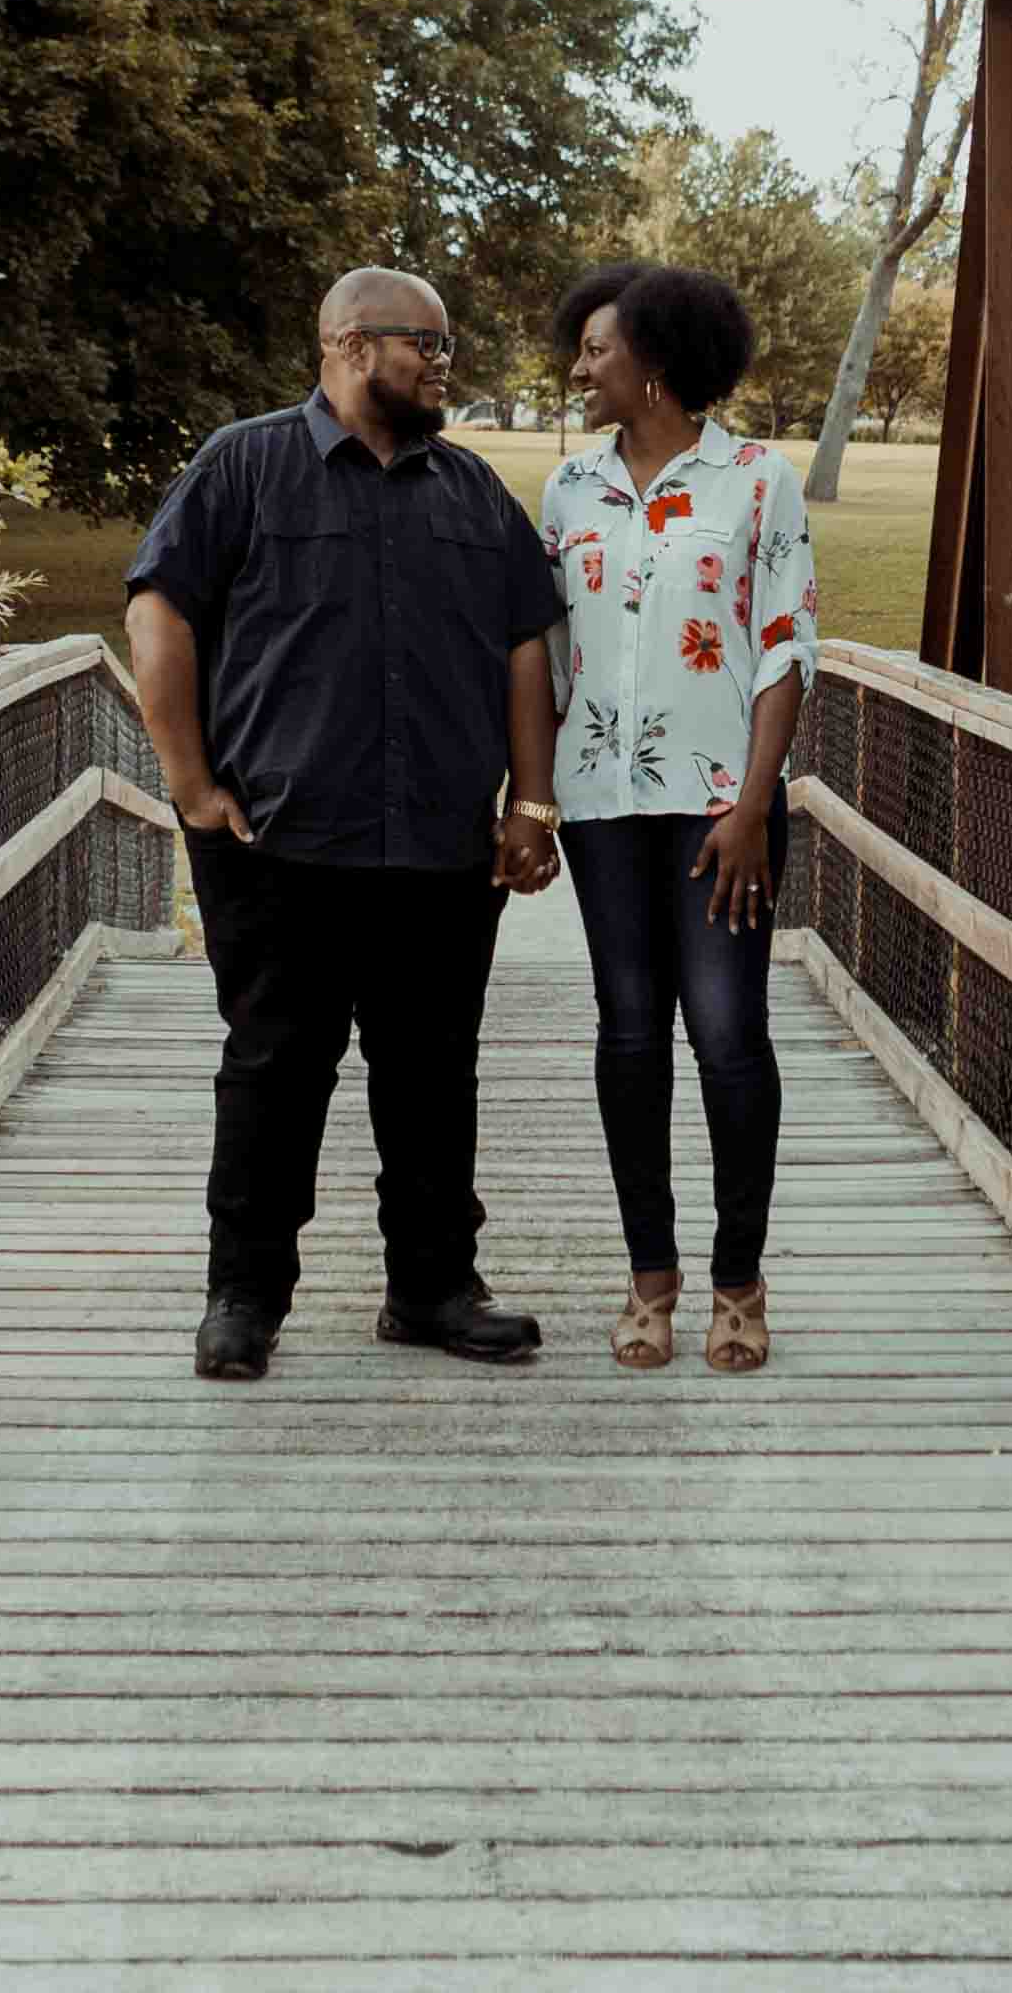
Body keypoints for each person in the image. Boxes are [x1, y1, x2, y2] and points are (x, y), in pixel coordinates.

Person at [122, 264, 569, 1382]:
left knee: (432, 1072)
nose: (441, 366)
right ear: (352, 345)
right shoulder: (245, 464)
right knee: (275, 1067)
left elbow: (527, 645)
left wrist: (530, 798)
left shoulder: (473, 494)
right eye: (428, 344)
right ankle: (244, 1295)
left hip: (437, 843)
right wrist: (188, 781)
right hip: (280, 839)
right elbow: (157, 609)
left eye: (445, 347)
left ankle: (431, 1288)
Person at [535, 260, 816, 1374]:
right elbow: (548, 657)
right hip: (605, 807)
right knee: (631, 1033)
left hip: (720, 809)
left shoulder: (756, 481)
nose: (581, 365)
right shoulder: (568, 491)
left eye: (598, 348)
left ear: (654, 362)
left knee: (730, 1033)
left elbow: (786, 645)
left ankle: (739, 1284)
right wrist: (531, 798)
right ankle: (650, 1281)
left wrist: (753, 804)